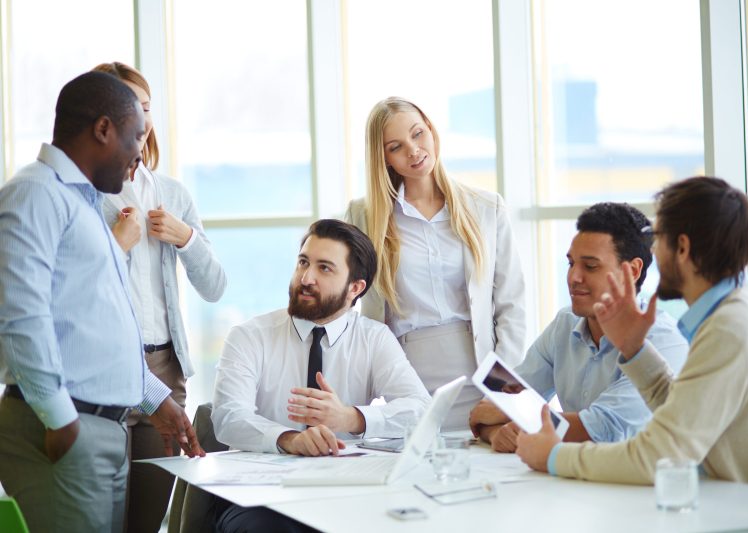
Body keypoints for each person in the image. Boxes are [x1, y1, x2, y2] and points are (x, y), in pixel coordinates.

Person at [0, 71, 204, 533]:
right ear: (102, 129)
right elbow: (20, 317)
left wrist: (156, 399)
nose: (139, 154)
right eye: (136, 137)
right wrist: (61, 422)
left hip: (99, 427)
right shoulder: (35, 193)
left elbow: (96, 324)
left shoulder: (83, 203)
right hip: (66, 428)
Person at [516, 177, 748, 494]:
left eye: (657, 237)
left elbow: (659, 455)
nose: (652, 251)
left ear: (682, 247)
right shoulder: (746, 309)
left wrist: (554, 456)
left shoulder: (730, 329)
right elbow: (684, 416)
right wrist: (634, 350)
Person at [211, 219, 430, 531]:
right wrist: (289, 440)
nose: (306, 277)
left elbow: (422, 410)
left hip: (344, 491)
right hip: (261, 494)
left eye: (324, 268)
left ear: (355, 288)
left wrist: (351, 418)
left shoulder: (374, 338)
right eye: (303, 262)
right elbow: (228, 418)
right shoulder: (249, 336)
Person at [93, 61, 226, 533]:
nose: (141, 120)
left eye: (146, 108)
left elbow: (215, 287)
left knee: (147, 522)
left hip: (164, 371)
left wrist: (185, 237)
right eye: (130, 108)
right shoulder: (84, 195)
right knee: (99, 519)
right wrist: (117, 241)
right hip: (102, 372)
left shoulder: (172, 193)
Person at [345, 97, 526, 430]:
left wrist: (505, 390)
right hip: (407, 377)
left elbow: (511, 304)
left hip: (481, 374)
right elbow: (351, 308)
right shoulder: (364, 217)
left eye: (417, 134)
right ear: (383, 158)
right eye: (397, 147)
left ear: (430, 127)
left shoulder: (487, 208)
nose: (414, 150)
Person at [469, 203, 688, 451]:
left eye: (591, 266)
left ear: (633, 271)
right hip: (570, 476)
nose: (574, 277)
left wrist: (519, 419)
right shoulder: (565, 324)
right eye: (571, 263)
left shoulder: (664, 341)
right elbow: (493, 403)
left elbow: (602, 427)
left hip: (637, 483)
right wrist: (497, 431)